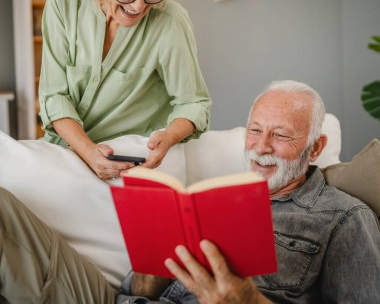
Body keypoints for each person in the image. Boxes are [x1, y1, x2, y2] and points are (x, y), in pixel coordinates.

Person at [1, 80, 379, 303]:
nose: (260, 147)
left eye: (280, 135)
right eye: (254, 130)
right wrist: (150, 269)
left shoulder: (343, 217)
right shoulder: (219, 197)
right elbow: (143, 287)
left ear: (315, 148)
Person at [38, 0, 211, 180]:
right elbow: (54, 95)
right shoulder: (64, 1)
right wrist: (88, 151)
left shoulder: (170, 20)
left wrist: (170, 134)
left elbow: (193, 102)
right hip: (65, 151)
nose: (139, 5)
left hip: (132, 161)